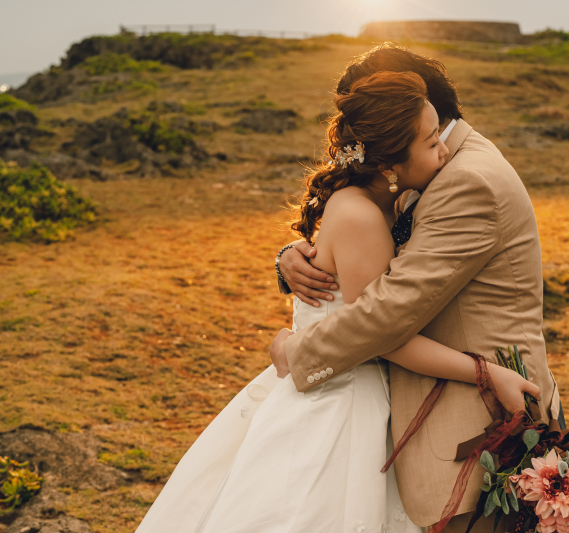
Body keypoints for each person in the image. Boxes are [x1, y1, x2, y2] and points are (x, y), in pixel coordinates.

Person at [134, 70, 540, 533]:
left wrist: (289, 257)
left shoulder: (396, 198)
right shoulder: (364, 216)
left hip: (360, 387)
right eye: (431, 143)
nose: (445, 151)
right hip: (341, 401)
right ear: (388, 164)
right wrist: (485, 372)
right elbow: (384, 331)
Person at [271, 45, 564, 533]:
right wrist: (291, 258)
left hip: (481, 419)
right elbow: (365, 242)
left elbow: (386, 310)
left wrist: (298, 353)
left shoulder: (461, 178)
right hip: (401, 401)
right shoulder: (421, 168)